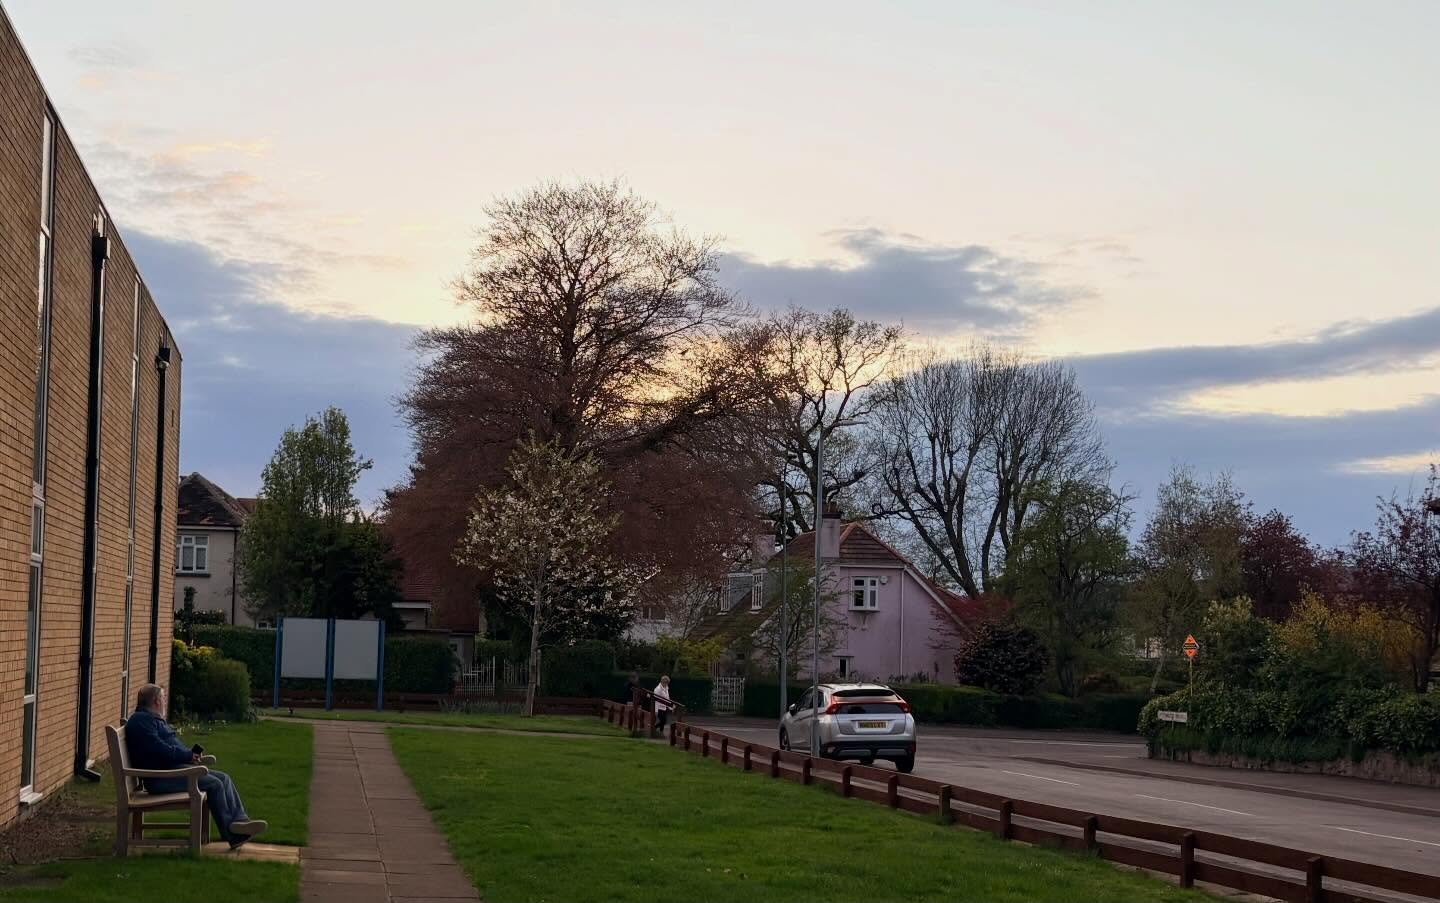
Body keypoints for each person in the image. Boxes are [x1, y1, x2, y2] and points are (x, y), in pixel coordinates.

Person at [124, 684, 268, 849]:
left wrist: (189, 756)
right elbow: (159, 748)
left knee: (224, 778)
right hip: (160, 778)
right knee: (215, 784)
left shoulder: (150, 719)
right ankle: (232, 834)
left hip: (171, 770)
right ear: (156, 701)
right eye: (163, 698)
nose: (165, 701)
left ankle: (241, 822)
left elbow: (167, 747)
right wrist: (186, 756)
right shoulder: (142, 721)